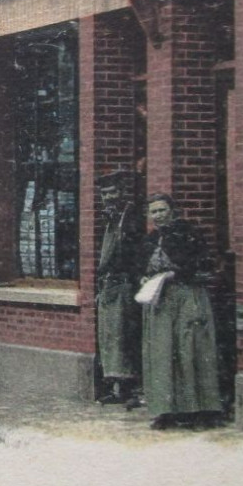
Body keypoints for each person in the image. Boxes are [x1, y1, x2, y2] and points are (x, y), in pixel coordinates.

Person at [138, 193, 224, 430]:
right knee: (162, 353)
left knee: (191, 349)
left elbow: (202, 263)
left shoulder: (189, 234)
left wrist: (175, 273)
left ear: (173, 211)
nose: (158, 215)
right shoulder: (150, 240)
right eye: (153, 211)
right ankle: (165, 410)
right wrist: (145, 277)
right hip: (159, 300)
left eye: (162, 210)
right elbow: (140, 266)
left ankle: (200, 410)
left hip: (187, 296)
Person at [94, 171, 143, 407]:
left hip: (124, 285)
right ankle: (118, 388)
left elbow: (132, 254)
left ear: (122, 193)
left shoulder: (131, 217)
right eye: (104, 194)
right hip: (109, 286)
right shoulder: (111, 218)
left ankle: (131, 389)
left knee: (124, 336)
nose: (108, 198)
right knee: (111, 337)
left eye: (112, 192)